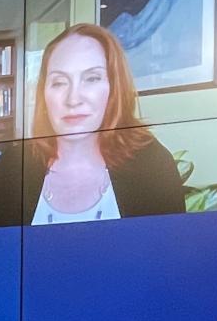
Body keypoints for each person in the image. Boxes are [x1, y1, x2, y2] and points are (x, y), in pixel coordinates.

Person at [25, 23, 185, 223]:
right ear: (43, 94)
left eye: (91, 78)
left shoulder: (153, 166)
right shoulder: (11, 169)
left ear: (113, 90)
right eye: (58, 82)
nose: (73, 99)